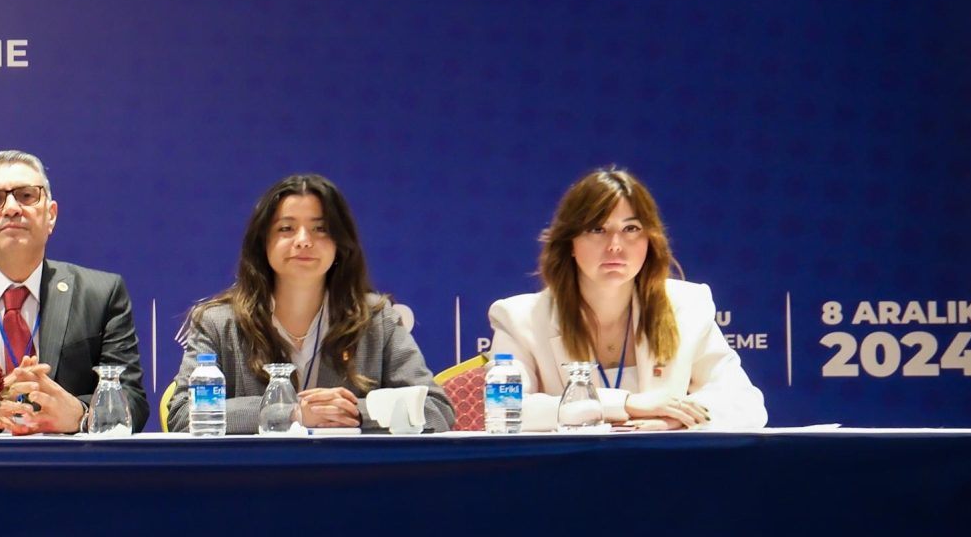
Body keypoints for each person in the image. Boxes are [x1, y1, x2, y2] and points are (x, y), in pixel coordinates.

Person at [166, 173, 453, 434]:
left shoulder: (376, 319)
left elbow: (436, 410)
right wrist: (290, 413)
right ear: (263, 242)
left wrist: (355, 412)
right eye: (286, 228)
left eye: (320, 229)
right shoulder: (218, 322)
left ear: (340, 243)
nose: (303, 240)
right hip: (255, 473)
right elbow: (183, 415)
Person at [488, 166, 767, 430]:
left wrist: (681, 419)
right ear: (569, 243)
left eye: (631, 229)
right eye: (597, 229)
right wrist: (625, 404)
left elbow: (745, 402)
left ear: (650, 240)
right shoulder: (520, 318)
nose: (615, 245)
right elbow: (503, 409)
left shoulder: (688, 306)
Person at [0, 150, 144, 433]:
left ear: (51, 215)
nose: (11, 208)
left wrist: (81, 415)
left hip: (69, 460)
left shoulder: (101, 294)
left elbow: (133, 401)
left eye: (26, 196)